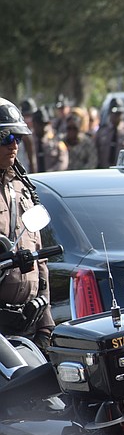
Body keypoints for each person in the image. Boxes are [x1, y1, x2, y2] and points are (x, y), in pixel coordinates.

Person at [0, 98, 55, 349]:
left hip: (27, 326)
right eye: (5, 137)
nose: (13, 145)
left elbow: (39, 261)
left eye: (18, 139)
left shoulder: (22, 190)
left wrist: (45, 325)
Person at [95, 97, 124, 167]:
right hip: (104, 171)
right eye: (114, 113)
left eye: (119, 113)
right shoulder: (102, 132)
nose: (116, 116)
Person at [31, 107, 68, 172]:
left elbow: (63, 162)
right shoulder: (28, 141)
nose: (43, 127)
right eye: (40, 124)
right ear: (33, 124)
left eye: (45, 124)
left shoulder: (57, 141)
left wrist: (49, 173)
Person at [17, 98, 37, 173]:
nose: (28, 119)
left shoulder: (39, 133)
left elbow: (33, 162)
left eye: (30, 115)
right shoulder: (18, 134)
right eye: (25, 116)